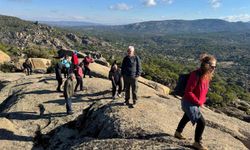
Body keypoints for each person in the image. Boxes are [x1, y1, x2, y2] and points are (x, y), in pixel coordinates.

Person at [174, 54, 217, 150]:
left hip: (194, 102)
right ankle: (197, 142)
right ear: (207, 65)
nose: (214, 68)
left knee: (187, 116)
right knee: (202, 122)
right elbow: (188, 91)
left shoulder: (207, 75)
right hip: (188, 102)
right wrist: (198, 102)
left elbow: (203, 90)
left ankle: (178, 132)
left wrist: (202, 100)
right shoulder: (195, 75)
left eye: (215, 66)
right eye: (213, 66)